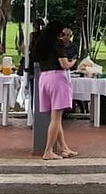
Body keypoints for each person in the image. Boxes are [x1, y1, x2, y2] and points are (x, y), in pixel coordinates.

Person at [33, 20, 78, 160]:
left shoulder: (40, 43)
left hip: (44, 78)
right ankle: (48, 151)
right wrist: (74, 62)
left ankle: (64, 147)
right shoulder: (56, 43)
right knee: (56, 117)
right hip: (57, 78)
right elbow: (64, 64)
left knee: (55, 117)